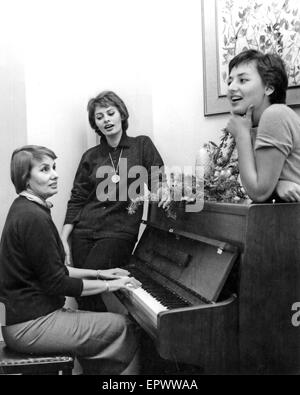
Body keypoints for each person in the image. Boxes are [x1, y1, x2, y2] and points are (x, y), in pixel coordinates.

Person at [0, 145, 141, 375]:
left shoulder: (27, 208)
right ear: (26, 179)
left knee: (109, 325)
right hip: (30, 326)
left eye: (54, 167)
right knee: (125, 327)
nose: (55, 174)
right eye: (44, 170)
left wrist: (100, 273)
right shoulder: (32, 218)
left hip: (23, 320)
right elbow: (58, 283)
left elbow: (57, 270)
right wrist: (111, 285)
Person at [61, 90, 168, 312]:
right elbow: (78, 198)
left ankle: (110, 337)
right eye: (100, 117)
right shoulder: (90, 156)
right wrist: (64, 239)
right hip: (83, 232)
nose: (106, 120)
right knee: (82, 292)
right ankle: (104, 338)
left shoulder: (141, 145)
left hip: (119, 232)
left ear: (121, 114)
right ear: (95, 124)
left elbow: (157, 176)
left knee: (86, 287)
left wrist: (163, 189)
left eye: (110, 113)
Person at [225, 49, 300, 203]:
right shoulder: (253, 125)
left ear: (268, 87)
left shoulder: (275, 115)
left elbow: (258, 193)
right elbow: (257, 185)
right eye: (229, 81)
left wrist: (241, 135)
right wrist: (277, 186)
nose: (231, 87)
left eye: (243, 80)